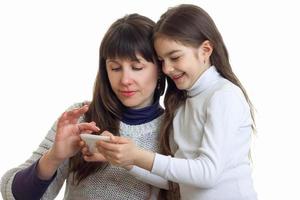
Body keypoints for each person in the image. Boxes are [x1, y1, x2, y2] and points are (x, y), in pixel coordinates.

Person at [91, 4, 257, 200]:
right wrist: (126, 161)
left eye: (175, 57)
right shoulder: (182, 104)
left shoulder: (223, 95)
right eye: (162, 60)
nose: (167, 69)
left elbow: (208, 174)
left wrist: (137, 155)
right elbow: (176, 181)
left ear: (205, 50)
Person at [0, 13, 171, 200]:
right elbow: (12, 195)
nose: (125, 80)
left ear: (161, 69)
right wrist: (54, 156)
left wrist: (133, 160)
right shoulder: (80, 117)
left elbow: (195, 187)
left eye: (137, 68)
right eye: (115, 68)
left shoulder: (174, 127)